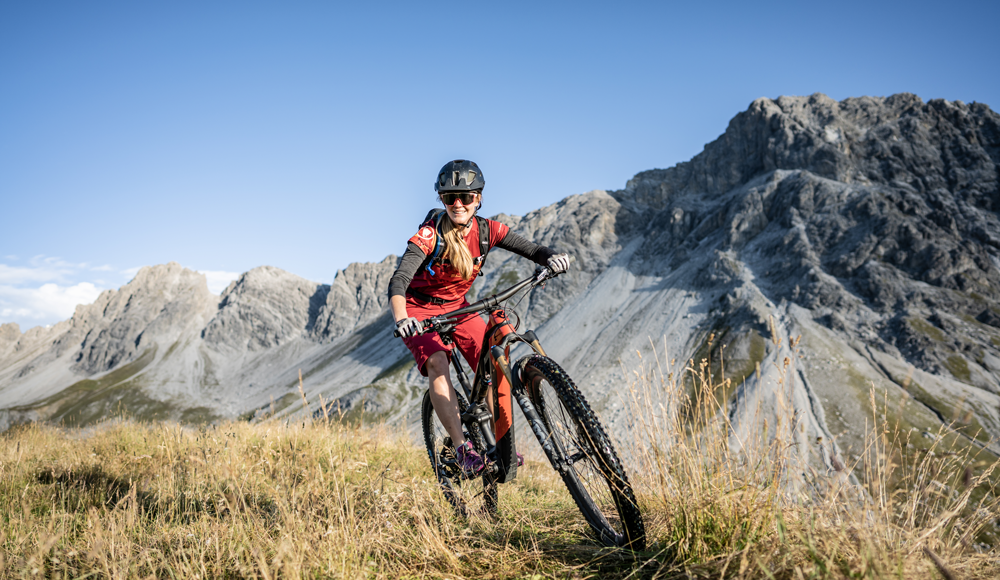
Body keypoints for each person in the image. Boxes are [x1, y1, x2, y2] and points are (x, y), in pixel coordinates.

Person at [388, 159, 570, 476]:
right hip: (419, 308)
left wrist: (551, 257)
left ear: (479, 198)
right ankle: (462, 449)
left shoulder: (488, 230)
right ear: (442, 200)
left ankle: (501, 443)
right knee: (437, 362)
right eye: (449, 198)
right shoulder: (430, 236)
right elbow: (399, 280)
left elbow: (533, 249)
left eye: (466, 197)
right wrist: (403, 318)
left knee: (492, 360)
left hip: (459, 306)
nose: (458, 204)